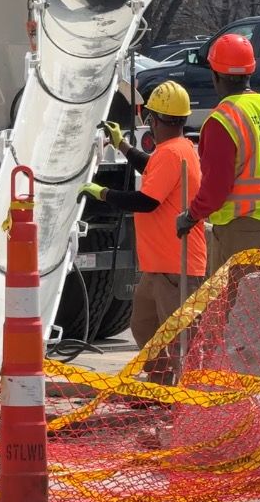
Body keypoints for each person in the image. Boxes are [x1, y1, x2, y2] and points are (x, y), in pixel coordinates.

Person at [78, 82, 207, 384]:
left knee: (179, 341)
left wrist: (104, 193)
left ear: (155, 120)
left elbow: (146, 202)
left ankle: (187, 402)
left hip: (176, 268)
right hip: (161, 267)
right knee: (145, 326)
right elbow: (152, 169)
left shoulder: (171, 154)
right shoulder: (178, 149)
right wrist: (122, 145)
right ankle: (162, 387)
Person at [175, 34, 260, 271]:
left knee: (231, 306)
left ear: (215, 75)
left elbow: (216, 187)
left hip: (241, 230)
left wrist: (191, 216)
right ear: (250, 72)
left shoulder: (222, 120)